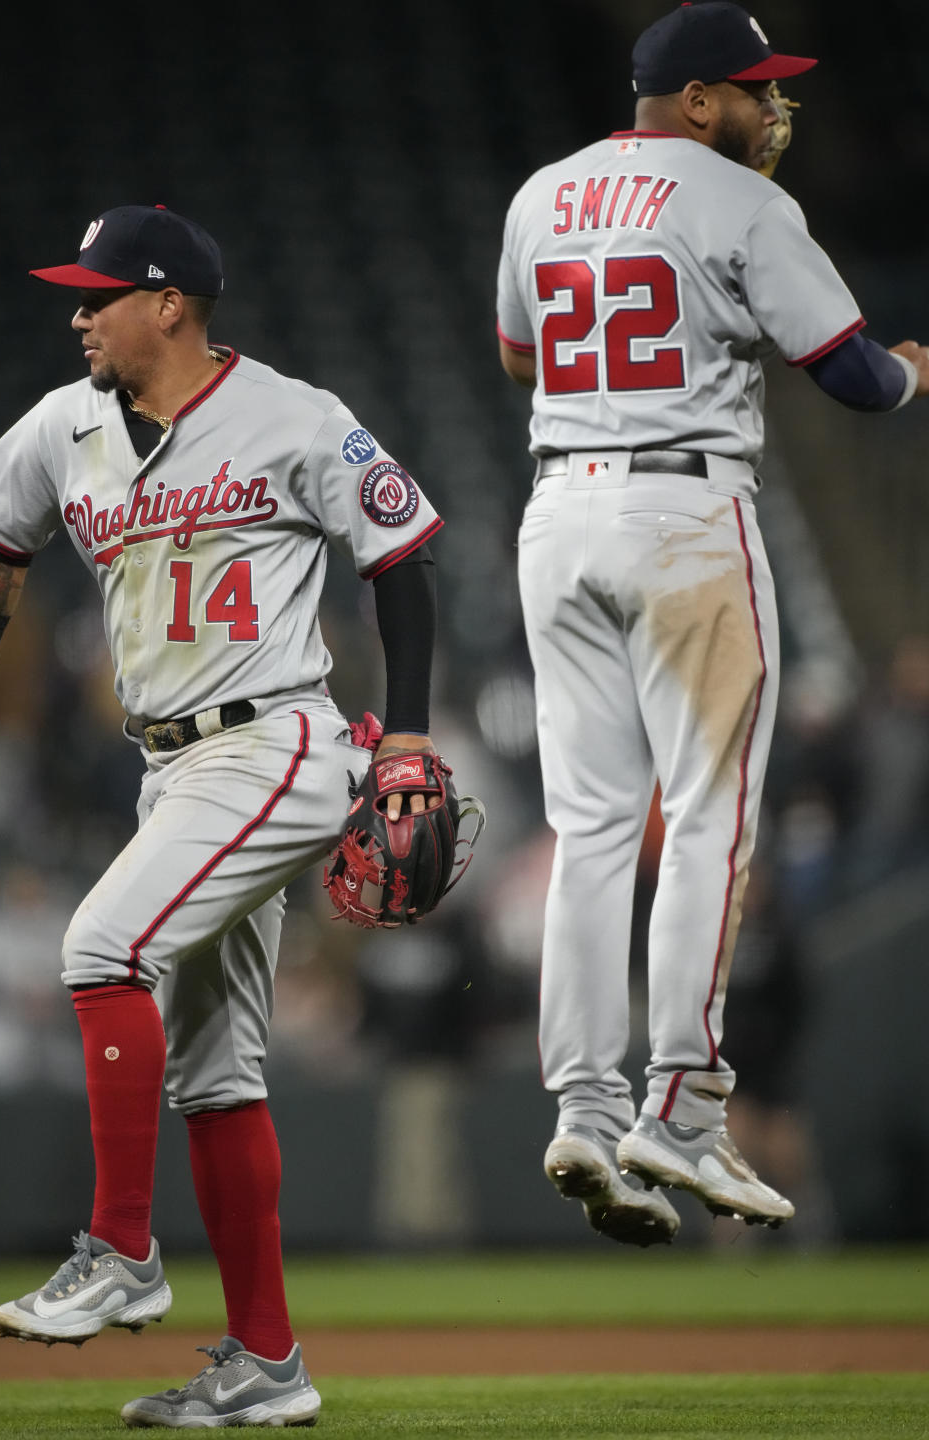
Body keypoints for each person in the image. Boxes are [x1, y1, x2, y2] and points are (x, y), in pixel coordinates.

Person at [0, 203, 443, 1427]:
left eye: (99, 294)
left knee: (100, 947)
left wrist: (410, 730)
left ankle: (121, 1252)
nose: (78, 313)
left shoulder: (295, 414)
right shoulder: (63, 428)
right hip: (168, 767)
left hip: (280, 738)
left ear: (167, 303)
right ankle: (268, 1367)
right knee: (216, 1076)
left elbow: (403, 555)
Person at [495, 0, 929, 1247]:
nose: (767, 108)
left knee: (586, 831)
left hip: (557, 516)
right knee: (708, 819)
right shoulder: (742, 204)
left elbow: (518, 354)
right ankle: (680, 1109)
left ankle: (583, 1104)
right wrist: (913, 368)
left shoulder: (542, 193)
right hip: (685, 516)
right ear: (696, 101)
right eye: (751, 89)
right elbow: (852, 377)